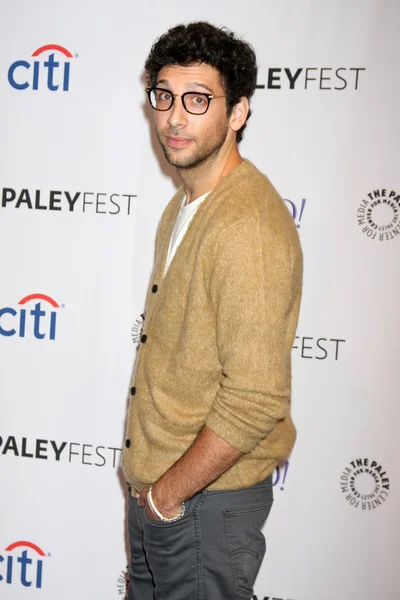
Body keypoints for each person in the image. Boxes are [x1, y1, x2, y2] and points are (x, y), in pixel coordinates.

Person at [122, 21, 303, 600]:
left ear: (238, 113)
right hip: (170, 502)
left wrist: (167, 496)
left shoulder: (244, 222)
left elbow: (255, 398)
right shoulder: (186, 205)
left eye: (198, 99)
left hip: (203, 508)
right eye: (164, 96)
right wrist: (151, 496)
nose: (175, 117)